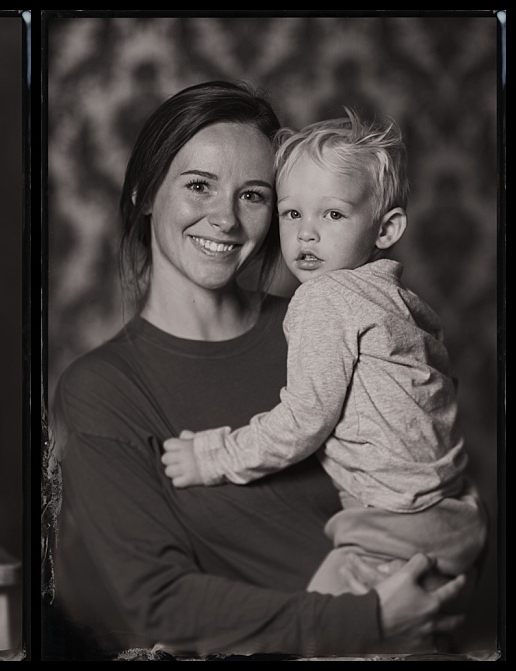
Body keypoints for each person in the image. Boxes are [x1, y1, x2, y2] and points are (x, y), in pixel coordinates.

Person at [49, 81, 470, 658]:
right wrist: (366, 621)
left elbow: (434, 452)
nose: (225, 218)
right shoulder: (103, 388)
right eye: (199, 185)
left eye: (253, 195)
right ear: (145, 193)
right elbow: (157, 601)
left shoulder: (331, 322)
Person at [160, 109, 486, 597]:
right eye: (292, 213)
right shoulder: (403, 300)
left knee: (322, 629)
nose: (306, 233)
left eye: (333, 214)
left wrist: (209, 457)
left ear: (386, 229)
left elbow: (303, 421)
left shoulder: (322, 298)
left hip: (391, 523)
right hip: (456, 514)